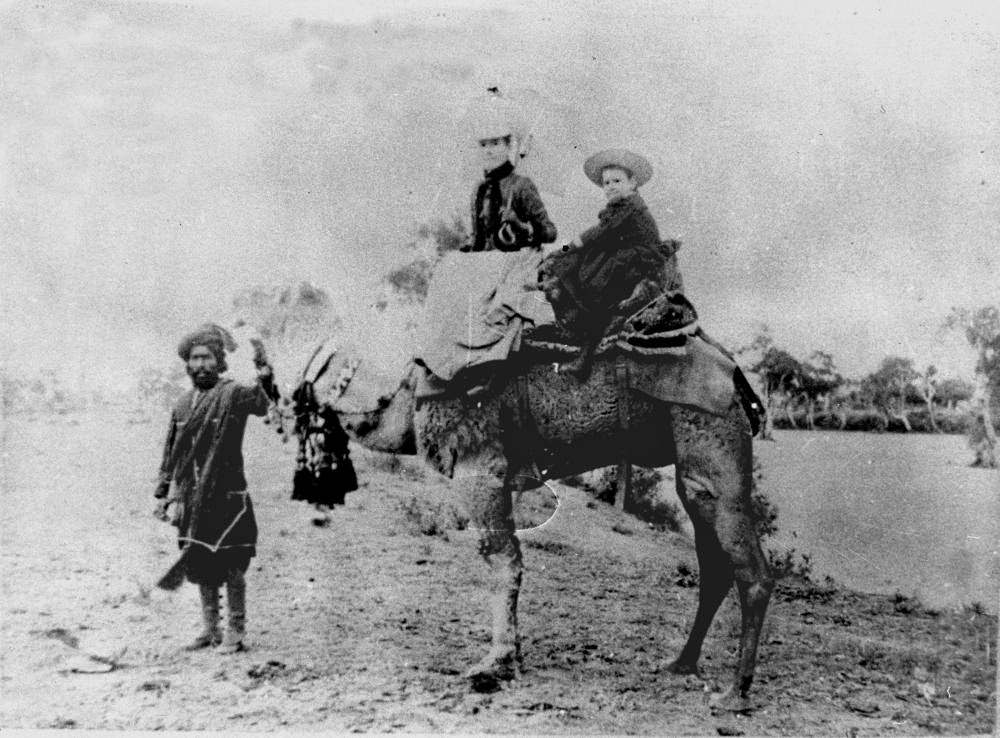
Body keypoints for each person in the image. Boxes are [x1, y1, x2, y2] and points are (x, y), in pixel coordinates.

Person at [153, 324, 274, 653]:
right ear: (188, 365)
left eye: (207, 357)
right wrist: (164, 492)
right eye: (195, 358)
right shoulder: (181, 405)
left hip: (228, 495)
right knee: (201, 562)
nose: (201, 364)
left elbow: (262, 405)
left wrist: (264, 370)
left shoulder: (233, 394)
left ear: (219, 361)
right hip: (193, 497)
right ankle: (210, 630)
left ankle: (235, 630)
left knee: (232, 564)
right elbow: (171, 450)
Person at [551, 148, 666, 379]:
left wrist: (564, 248)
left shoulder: (631, 206)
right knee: (582, 258)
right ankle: (563, 296)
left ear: (632, 182)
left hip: (639, 261)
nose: (611, 186)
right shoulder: (619, 207)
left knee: (597, 286)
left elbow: (599, 232)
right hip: (627, 255)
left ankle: (585, 354)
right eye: (606, 183)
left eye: (617, 180)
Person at [462, 104, 558, 252]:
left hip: (519, 266)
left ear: (508, 146)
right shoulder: (479, 189)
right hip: (487, 265)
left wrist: (520, 225)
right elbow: (478, 238)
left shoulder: (521, 185)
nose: (488, 151)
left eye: (495, 143)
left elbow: (550, 232)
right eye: (483, 145)